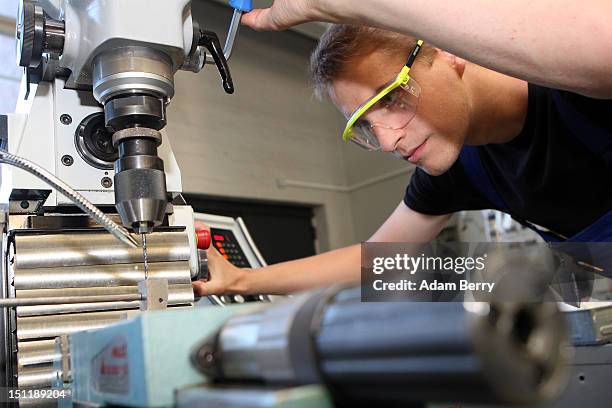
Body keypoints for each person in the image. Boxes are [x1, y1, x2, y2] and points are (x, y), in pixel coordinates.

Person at [193, 1, 612, 297]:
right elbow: (374, 260)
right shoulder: (460, 169)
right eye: (367, 125)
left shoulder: (572, 82)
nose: (389, 140)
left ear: (449, 49)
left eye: (390, 98)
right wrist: (239, 280)